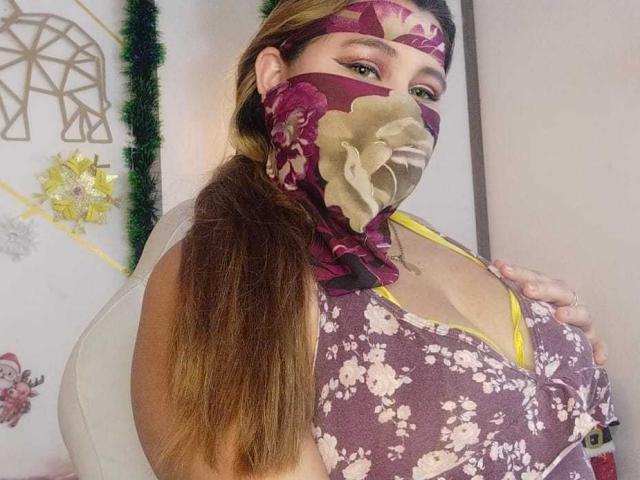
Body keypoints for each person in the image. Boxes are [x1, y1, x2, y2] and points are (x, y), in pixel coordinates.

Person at [130, 1, 617, 478]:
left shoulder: (423, 238)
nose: (402, 106)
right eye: (364, 67)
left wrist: (564, 336)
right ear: (274, 74)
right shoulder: (233, 268)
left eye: (424, 91)